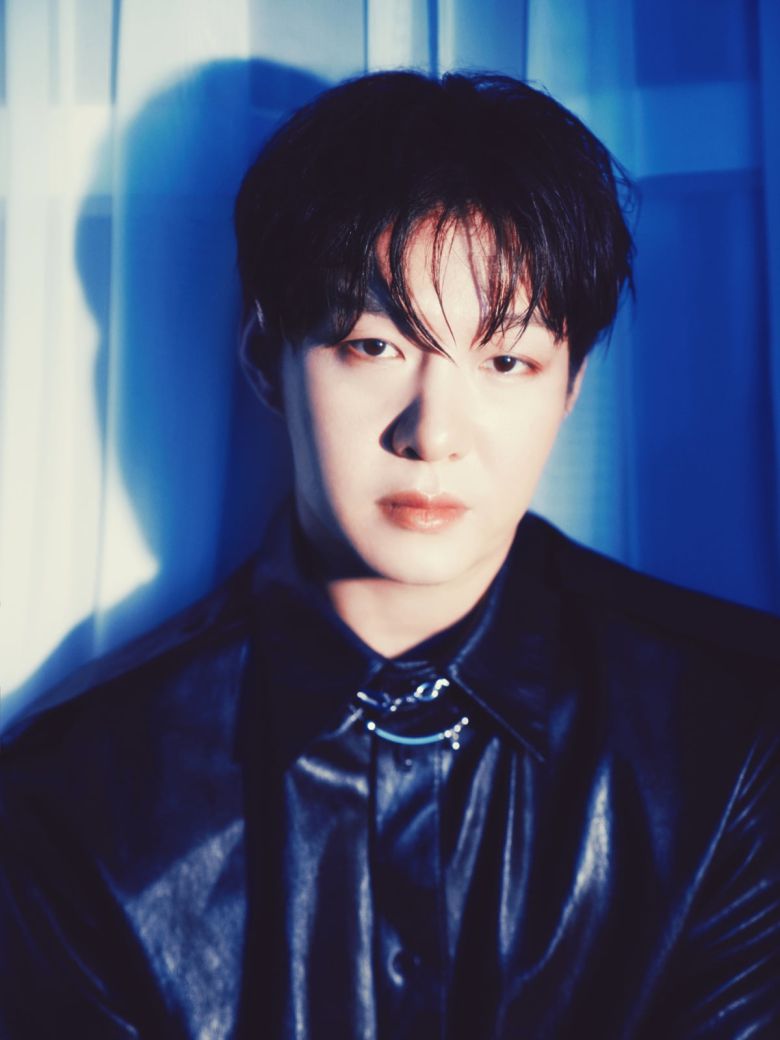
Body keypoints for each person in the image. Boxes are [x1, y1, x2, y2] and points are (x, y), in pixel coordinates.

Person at [1, 69, 779, 1039]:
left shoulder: (733, 736)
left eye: (505, 360)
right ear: (267, 359)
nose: (433, 433)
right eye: (375, 346)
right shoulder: (78, 800)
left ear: (571, 385)